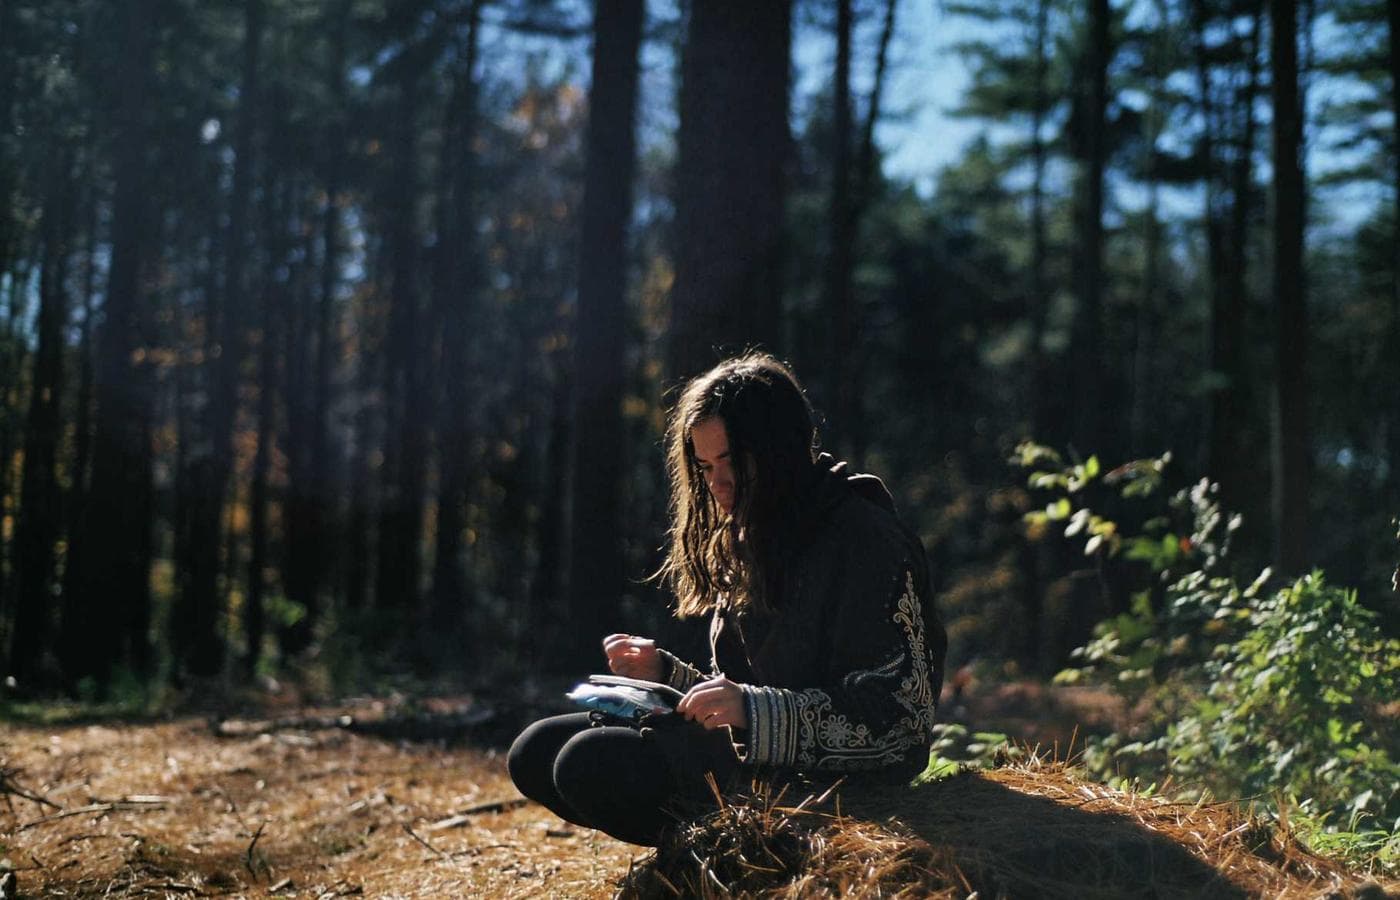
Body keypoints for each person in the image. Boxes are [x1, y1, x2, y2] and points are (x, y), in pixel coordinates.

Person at [507, 352, 946, 846]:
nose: (717, 483)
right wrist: (666, 675)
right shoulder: (755, 531)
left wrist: (752, 711)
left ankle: (733, 859)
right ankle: (708, 857)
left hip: (832, 791)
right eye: (706, 466)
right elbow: (742, 696)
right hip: (754, 767)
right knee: (535, 751)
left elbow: (902, 726)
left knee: (587, 763)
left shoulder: (866, 539)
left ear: (780, 450)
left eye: (733, 461)